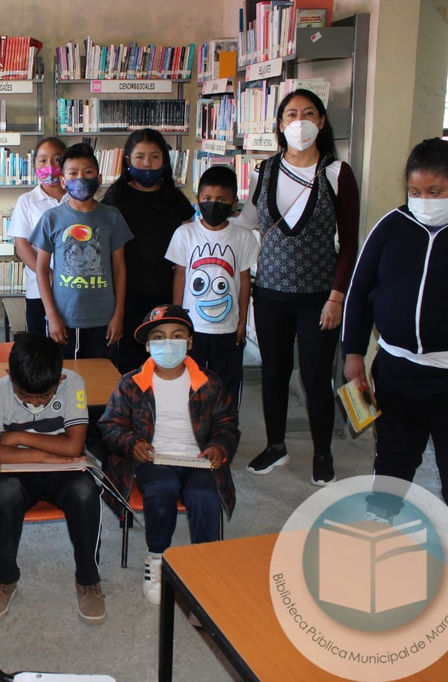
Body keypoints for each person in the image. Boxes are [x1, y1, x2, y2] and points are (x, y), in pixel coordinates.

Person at [342, 138, 448, 586]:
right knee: (393, 453)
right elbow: (359, 291)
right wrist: (354, 353)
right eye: (415, 191)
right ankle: (379, 523)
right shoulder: (392, 226)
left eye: (436, 191)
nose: (424, 200)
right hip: (398, 367)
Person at [232, 89, 359, 485]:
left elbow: (350, 244)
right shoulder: (264, 171)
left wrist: (337, 296)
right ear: (280, 124)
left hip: (319, 298)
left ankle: (323, 452)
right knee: (274, 372)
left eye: (308, 113)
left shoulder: (337, 173)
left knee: (316, 377)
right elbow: (246, 224)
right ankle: (276, 446)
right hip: (270, 295)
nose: (299, 121)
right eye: (291, 114)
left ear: (321, 121)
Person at [98, 305, 238, 604]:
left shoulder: (210, 383)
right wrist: (132, 442)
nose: (168, 343)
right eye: (159, 337)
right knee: (162, 487)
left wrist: (219, 446)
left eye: (177, 336)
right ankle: (157, 556)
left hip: (198, 460)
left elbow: (227, 424)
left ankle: (204, 561)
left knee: (204, 495)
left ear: (189, 342)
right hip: (154, 459)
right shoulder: (130, 384)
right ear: (148, 346)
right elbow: (110, 425)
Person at [0, 333, 106, 624]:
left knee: (86, 492)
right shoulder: (0, 390)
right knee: (4, 494)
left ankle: (88, 580)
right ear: (10, 376)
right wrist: (42, 455)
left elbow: (73, 446)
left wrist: (21, 437)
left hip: (61, 470)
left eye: (43, 397)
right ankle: (4, 579)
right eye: (24, 396)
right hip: (17, 471)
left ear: (59, 379)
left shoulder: (72, 384)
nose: (34, 403)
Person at [102, 129, 196, 373]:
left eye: (154, 157)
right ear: (128, 160)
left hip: (166, 290)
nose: (147, 164)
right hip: (126, 292)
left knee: (164, 357)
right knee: (128, 360)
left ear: (164, 160)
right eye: (140, 157)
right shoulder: (116, 196)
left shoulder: (175, 198)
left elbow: (191, 236)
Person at [31, 143, 132, 364]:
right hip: (64, 320)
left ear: (99, 178)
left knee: (102, 377)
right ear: (63, 181)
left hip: (104, 319)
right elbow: (41, 269)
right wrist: (52, 316)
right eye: (73, 173)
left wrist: (118, 314)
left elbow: (119, 268)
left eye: (88, 172)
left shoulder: (112, 217)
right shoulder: (51, 219)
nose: (81, 178)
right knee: (64, 376)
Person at [165, 165, 259, 405]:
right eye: (207, 198)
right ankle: (191, 424)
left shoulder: (243, 236)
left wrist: (242, 322)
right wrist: (177, 319)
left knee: (228, 384)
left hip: (229, 329)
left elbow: (244, 281)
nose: (213, 204)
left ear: (234, 202)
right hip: (193, 327)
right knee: (189, 382)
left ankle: (226, 425)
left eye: (221, 199)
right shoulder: (184, 233)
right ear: (198, 199)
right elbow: (180, 277)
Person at [7, 136, 68, 335]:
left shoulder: (77, 198)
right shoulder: (27, 201)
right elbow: (22, 246)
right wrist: (49, 276)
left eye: (57, 159)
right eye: (42, 160)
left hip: (75, 290)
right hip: (39, 290)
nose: (49, 166)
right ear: (34, 165)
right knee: (41, 347)